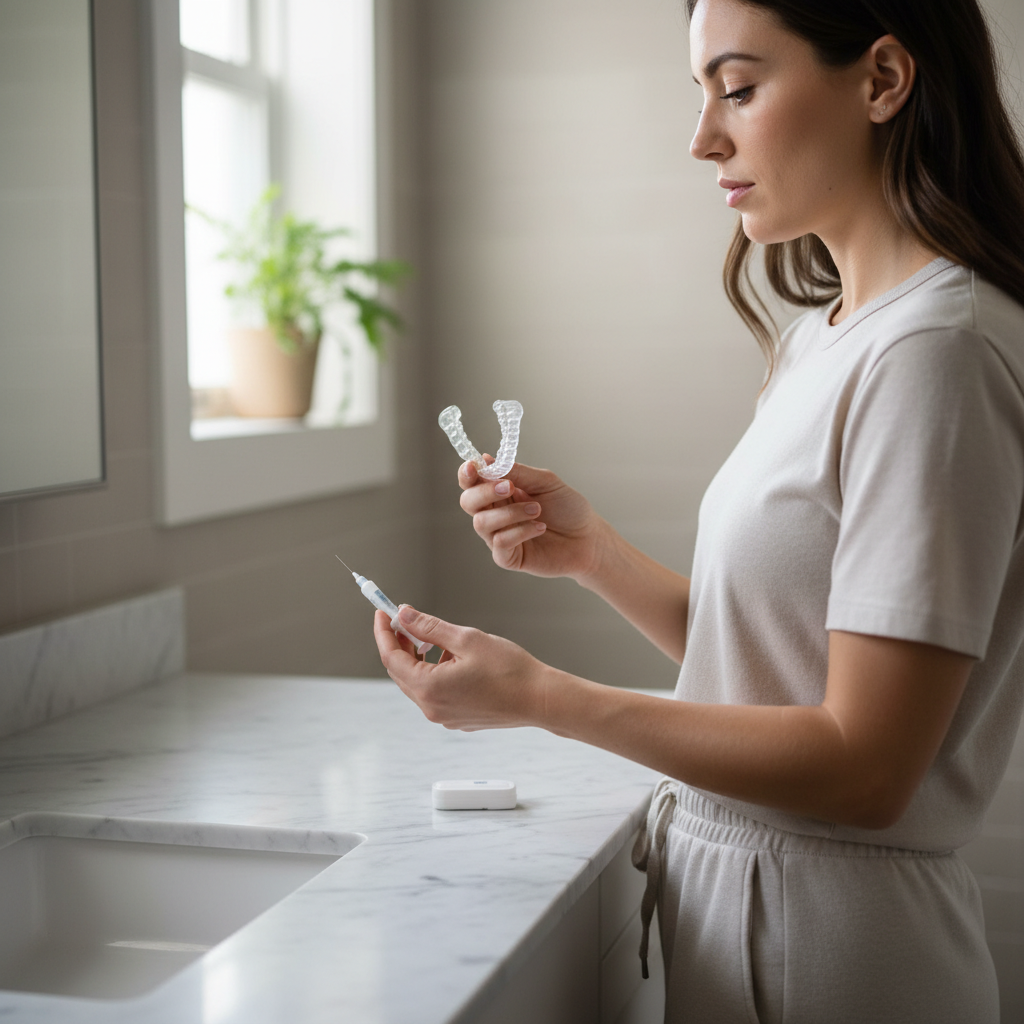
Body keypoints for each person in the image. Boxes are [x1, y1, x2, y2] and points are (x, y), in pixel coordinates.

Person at [374, 1, 1024, 1020]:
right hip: (753, 919)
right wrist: (589, 553)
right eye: (701, 94)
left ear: (882, 80)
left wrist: (543, 696)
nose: (701, 136)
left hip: (835, 955)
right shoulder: (828, 336)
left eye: (739, 87)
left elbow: (865, 767)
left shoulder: (934, 355)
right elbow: (779, 659)